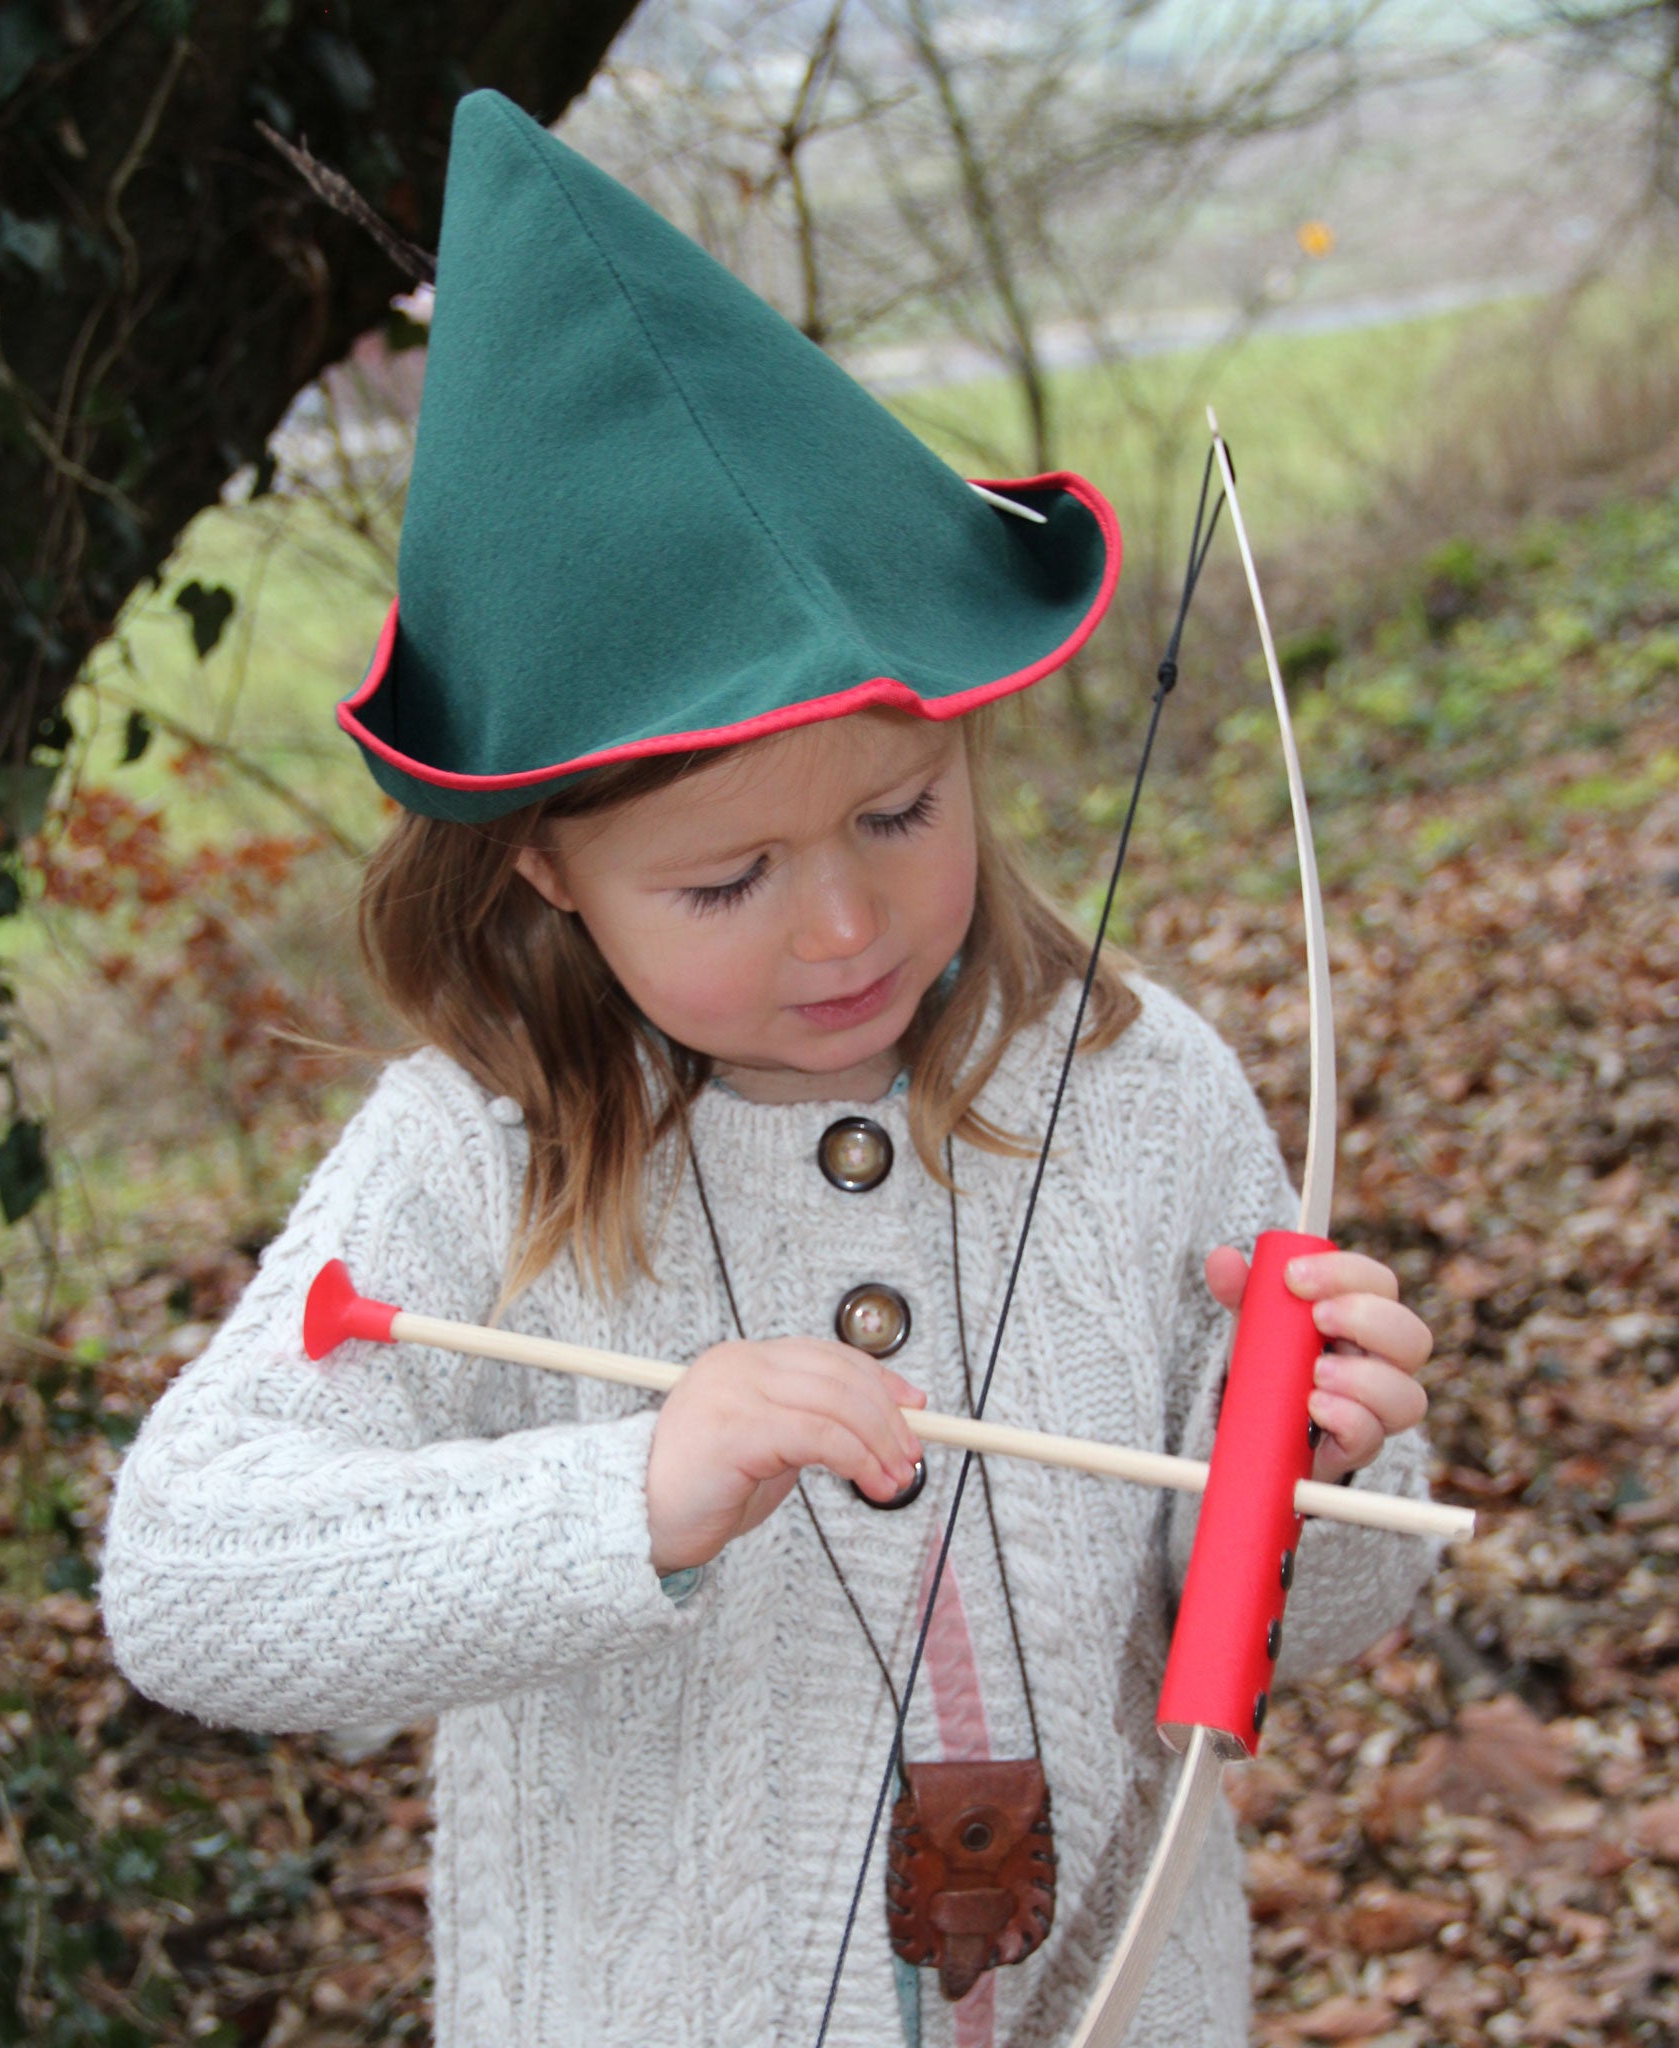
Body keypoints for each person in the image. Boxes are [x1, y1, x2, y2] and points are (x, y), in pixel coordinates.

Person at [100, 91, 1436, 2048]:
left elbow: (1268, 1625)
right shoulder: (479, 1157)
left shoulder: (1142, 1090)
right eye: (725, 875)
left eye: (899, 812)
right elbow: (183, 1575)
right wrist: (619, 1492)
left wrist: (1322, 1478)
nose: (842, 929)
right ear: (546, 865)